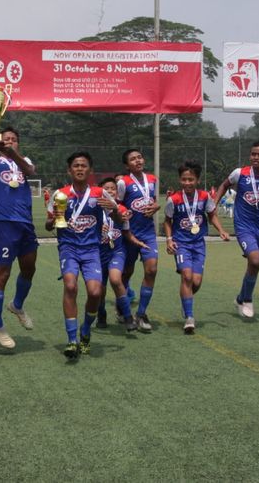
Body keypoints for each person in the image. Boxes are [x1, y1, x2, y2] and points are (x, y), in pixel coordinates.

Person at [0, 120, 38, 349]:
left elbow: (31, 171)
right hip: (4, 223)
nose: (9, 142)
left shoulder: (25, 162)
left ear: (18, 143)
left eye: (13, 139)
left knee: (29, 268)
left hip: (26, 223)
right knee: (2, 273)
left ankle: (17, 305)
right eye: (6, 139)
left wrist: (16, 155)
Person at [46, 152, 115, 359]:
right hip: (69, 247)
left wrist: (116, 210)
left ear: (90, 170)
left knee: (95, 293)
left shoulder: (99, 193)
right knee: (70, 286)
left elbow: (118, 215)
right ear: (69, 170)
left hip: (92, 250)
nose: (79, 168)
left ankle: (85, 330)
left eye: (83, 165)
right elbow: (49, 225)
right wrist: (56, 216)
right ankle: (72, 340)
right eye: (75, 165)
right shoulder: (61, 194)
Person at [214, 141, 259, 319]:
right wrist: (213, 203)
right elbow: (223, 185)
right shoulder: (240, 173)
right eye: (253, 154)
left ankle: (240, 298)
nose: (255, 157)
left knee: (256, 264)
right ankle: (248, 299)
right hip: (243, 225)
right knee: (254, 260)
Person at [163, 161, 229, 334]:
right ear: (180, 180)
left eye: (191, 179)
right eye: (184, 179)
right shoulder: (174, 199)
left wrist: (221, 230)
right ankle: (189, 318)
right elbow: (167, 221)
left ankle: (186, 300)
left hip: (199, 244)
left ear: (197, 180)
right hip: (181, 244)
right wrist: (169, 239)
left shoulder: (205, 197)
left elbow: (212, 215)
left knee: (196, 282)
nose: (187, 183)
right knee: (186, 276)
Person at [116, 149, 160, 331]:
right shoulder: (123, 182)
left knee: (151, 270)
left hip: (148, 233)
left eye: (140, 157)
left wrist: (157, 206)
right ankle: (122, 308)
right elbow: (116, 204)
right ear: (127, 165)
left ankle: (141, 314)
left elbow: (155, 201)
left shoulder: (153, 180)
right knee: (126, 273)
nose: (138, 161)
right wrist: (122, 211)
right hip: (129, 234)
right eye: (133, 159)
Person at [96, 177, 148, 330]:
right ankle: (101, 313)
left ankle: (127, 317)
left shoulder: (122, 209)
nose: (111, 191)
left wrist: (137, 241)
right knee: (100, 289)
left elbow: (126, 232)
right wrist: (97, 229)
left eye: (113, 188)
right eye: (107, 188)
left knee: (116, 279)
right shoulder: (93, 208)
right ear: (100, 192)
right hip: (97, 254)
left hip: (116, 252)